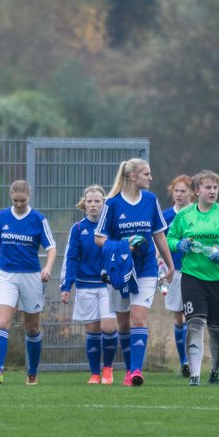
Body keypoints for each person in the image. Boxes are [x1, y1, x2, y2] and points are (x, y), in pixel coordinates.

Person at [93, 159, 176, 387]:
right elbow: (99, 238)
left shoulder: (150, 200)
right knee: (124, 325)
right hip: (120, 271)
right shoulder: (112, 204)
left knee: (138, 318)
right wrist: (123, 246)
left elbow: (159, 235)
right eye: (146, 174)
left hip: (147, 269)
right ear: (132, 176)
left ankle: (137, 372)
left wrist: (170, 265)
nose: (151, 178)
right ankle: (129, 370)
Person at [166, 170, 219, 387]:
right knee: (194, 323)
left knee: (217, 329)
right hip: (192, 276)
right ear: (197, 191)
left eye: (215, 187)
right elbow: (170, 238)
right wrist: (180, 245)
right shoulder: (184, 216)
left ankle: (215, 369)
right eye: (207, 187)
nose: (212, 191)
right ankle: (194, 375)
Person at [0, 180, 56, 385]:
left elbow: (51, 247)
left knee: (32, 328)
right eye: (15, 201)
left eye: (22, 201)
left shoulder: (37, 219)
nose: (18, 204)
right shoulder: (2, 217)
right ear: (11, 197)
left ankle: (32, 373)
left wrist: (48, 268)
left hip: (31, 277)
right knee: (2, 322)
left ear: (29, 197)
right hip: (7, 276)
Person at [60, 185, 119, 384]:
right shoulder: (78, 229)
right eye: (89, 201)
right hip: (85, 285)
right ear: (84, 204)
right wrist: (67, 286)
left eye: (97, 201)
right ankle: (95, 374)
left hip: (109, 285)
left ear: (104, 204)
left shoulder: (111, 227)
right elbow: (71, 258)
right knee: (93, 332)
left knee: (109, 328)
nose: (93, 205)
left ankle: (108, 369)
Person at [160, 174, 194, 377]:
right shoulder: (165, 216)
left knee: (193, 317)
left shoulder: (197, 214)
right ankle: (184, 361)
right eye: (176, 191)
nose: (179, 194)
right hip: (174, 271)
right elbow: (159, 241)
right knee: (178, 317)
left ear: (192, 193)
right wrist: (158, 264)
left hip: (194, 271)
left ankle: (193, 359)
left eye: (183, 191)